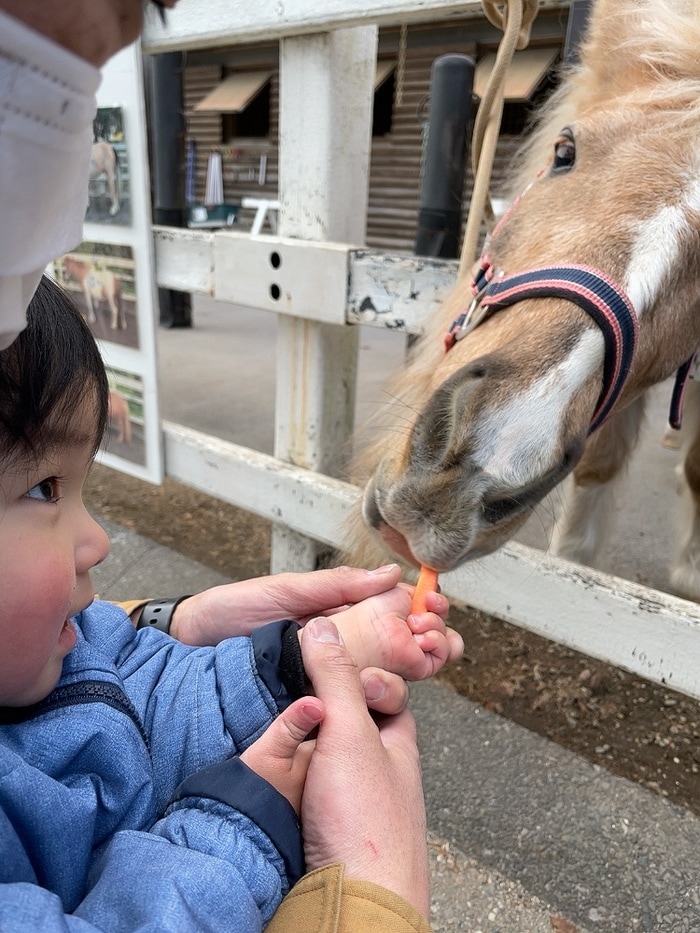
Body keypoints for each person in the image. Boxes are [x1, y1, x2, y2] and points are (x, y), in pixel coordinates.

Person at [0, 277, 459, 928]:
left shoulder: (62, 646)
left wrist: (298, 661)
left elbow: (136, 685)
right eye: (47, 488)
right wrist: (255, 832)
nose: (98, 540)